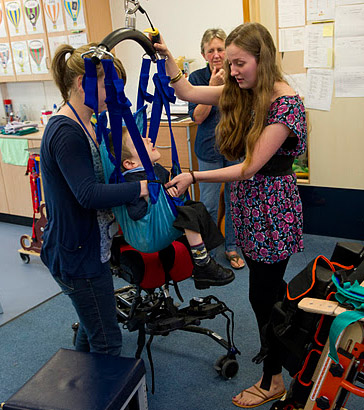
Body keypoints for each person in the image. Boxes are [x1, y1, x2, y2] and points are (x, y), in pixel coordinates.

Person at [153, 22, 307, 408]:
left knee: (262, 297)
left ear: (263, 59)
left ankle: (274, 378)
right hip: (251, 208)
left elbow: (248, 168)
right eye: (230, 63)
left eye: (240, 63)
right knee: (267, 293)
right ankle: (294, 352)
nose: (232, 71)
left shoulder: (286, 103)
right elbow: (187, 90)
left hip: (272, 210)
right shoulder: (247, 91)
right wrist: (168, 58)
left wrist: (193, 175)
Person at [40, 43, 149, 357]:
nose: (114, 93)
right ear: (81, 83)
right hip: (77, 257)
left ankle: (79, 386)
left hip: (87, 248)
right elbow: (87, 194)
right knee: (107, 340)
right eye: (109, 85)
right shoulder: (66, 131)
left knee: (93, 328)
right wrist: (140, 188)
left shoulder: (88, 123)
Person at [109, 127, 235, 290]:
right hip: (149, 231)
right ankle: (202, 263)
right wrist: (153, 197)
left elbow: (166, 193)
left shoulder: (155, 169)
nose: (149, 139)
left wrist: (171, 195)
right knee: (189, 213)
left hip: (164, 221)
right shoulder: (132, 182)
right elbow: (135, 213)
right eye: (141, 142)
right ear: (130, 163)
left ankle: (204, 255)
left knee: (196, 207)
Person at [188, 28, 245, 270]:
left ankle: (231, 248)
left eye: (220, 49)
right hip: (209, 151)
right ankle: (208, 253)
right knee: (209, 204)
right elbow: (198, 117)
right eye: (210, 50)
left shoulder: (238, 75)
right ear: (203, 55)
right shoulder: (197, 79)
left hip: (234, 149)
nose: (216, 54)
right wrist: (212, 87)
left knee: (234, 202)